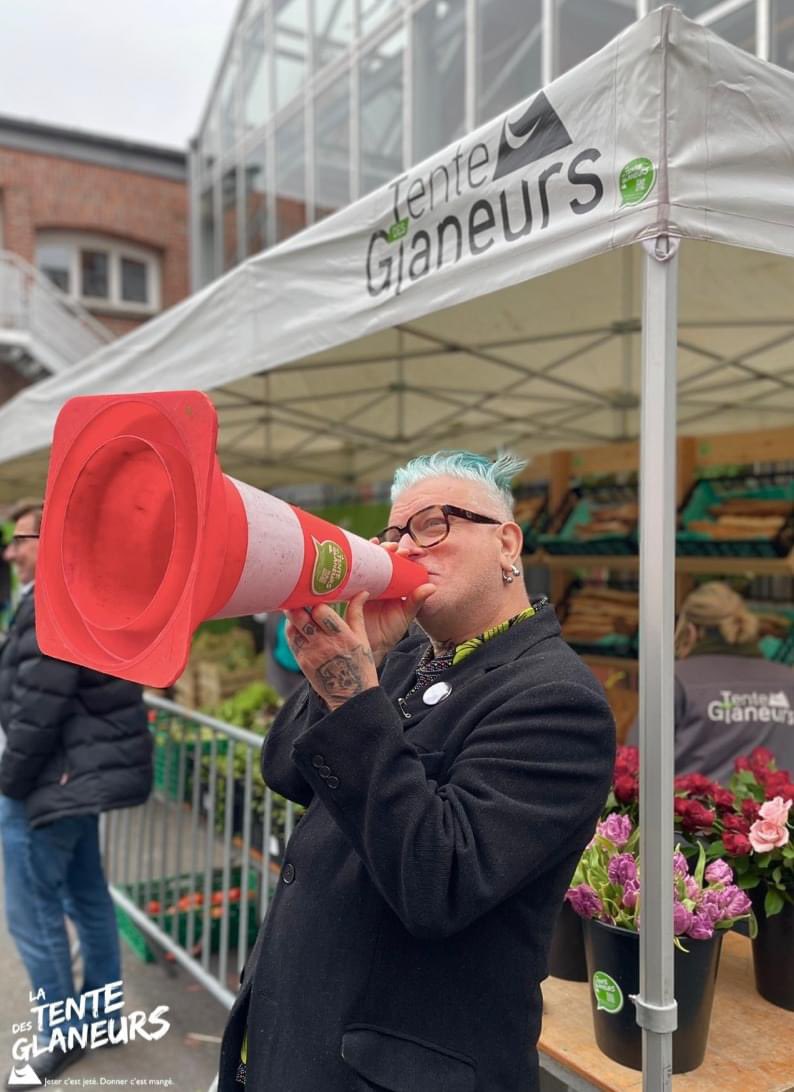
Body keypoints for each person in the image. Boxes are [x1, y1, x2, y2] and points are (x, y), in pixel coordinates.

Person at [217, 451, 615, 1092]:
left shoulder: (556, 697)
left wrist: (353, 699)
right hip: (296, 1034)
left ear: (506, 542)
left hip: (391, 1068)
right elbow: (285, 771)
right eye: (394, 534)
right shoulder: (404, 658)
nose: (407, 548)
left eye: (433, 525)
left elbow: (441, 879)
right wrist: (358, 663)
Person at [0, 500, 153, 1089]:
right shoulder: (76, 591)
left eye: (21, 539)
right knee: (86, 896)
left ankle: (59, 1037)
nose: (11, 551)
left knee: (32, 914)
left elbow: (40, 706)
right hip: (72, 779)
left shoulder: (52, 598)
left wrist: (11, 781)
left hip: (48, 780)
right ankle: (103, 1018)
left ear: (53, 540)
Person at [655, 581, 793, 783]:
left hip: (692, 812)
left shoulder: (674, 680)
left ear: (692, 630)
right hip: (781, 813)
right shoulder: (788, 680)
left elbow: (640, 762)